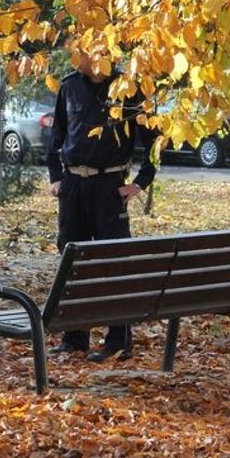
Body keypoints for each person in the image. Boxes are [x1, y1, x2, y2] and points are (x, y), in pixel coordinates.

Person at [45, 48, 158, 361]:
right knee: (73, 261)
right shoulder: (69, 86)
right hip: (73, 185)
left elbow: (154, 142)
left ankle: (118, 340)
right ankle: (74, 337)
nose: (85, 58)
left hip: (110, 187)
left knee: (114, 262)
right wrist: (57, 177)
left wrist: (139, 184)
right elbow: (57, 134)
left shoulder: (128, 88)